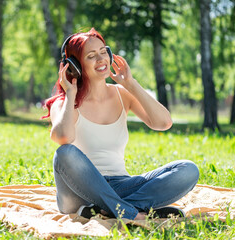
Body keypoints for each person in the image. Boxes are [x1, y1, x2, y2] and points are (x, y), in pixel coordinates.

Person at [42, 28, 199, 220]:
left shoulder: (121, 94)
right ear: (74, 65)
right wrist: (71, 93)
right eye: (91, 56)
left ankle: (113, 210)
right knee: (64, 153)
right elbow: (64, 137)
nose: (101, 59)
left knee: (187, 169)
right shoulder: (65, 102)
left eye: (103, 52)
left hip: (121, 185)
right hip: (78, 193)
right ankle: (133, 211)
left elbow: (163, 122)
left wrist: (131, 84)